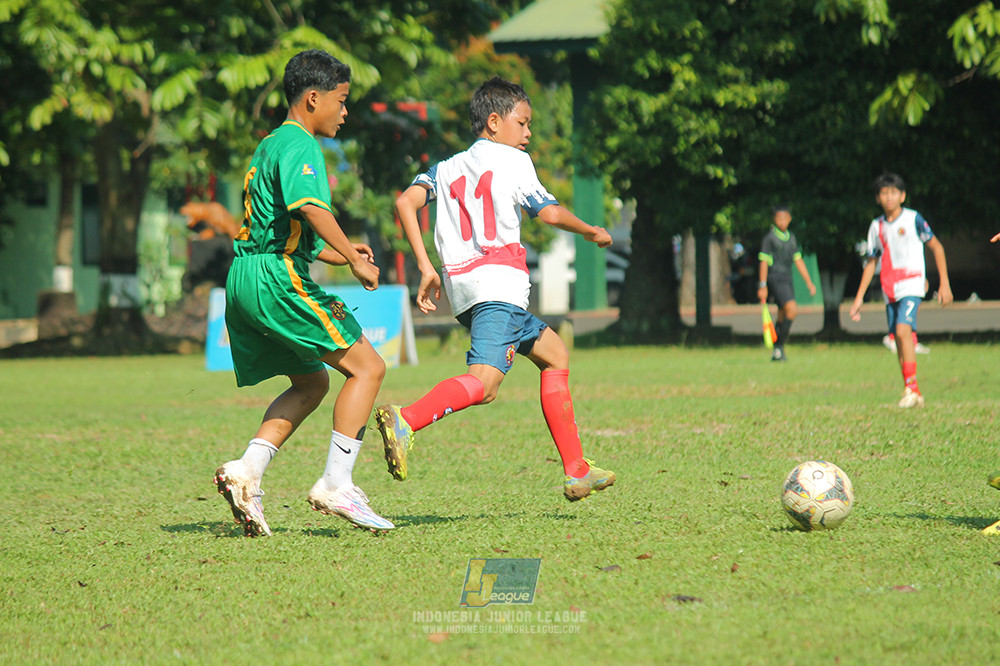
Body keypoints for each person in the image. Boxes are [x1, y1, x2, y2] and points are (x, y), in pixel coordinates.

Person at [375, 77, 616, 502]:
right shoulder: (513, 161)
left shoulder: (445, 168)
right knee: (484, 385)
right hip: (499, 286)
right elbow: (548, 212)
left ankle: (577, 469)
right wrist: (590, 231)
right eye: (522, 123)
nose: (527, 134)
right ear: (493, 122)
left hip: (467, 292)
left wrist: (426, 266)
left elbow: (404, 203)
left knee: (555, 354)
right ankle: (406, 419)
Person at [213, 49, 394, 536]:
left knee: (312, 383)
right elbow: (311, 209)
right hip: (275, 278)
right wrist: (355, 260)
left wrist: (341, 251)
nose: (345, 111)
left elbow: (292, 231)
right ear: (313, 98)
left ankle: (246, 472)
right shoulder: (302, 144)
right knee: (368, 368)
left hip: (247, 276)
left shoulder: (270, 144)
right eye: (341, 100)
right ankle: (337, 483)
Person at [849, 172, 952, 408]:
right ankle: (911, 388)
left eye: (893, 192)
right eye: (884, 193)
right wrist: (859, 298)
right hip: (889, 287)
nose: (889, 197)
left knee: (903, 331)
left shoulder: (914, 219)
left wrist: (944, 283)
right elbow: (872, 262)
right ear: (877, 197)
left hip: (913, 283)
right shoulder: (877, 226)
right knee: (897, 337)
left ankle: (911, 389)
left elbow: (937, 247)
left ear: (902, 195)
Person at [757, 205, 817, 361]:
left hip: (787, 278)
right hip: (775, 278)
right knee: (792, 310)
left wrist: (809, 282)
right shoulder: (769, 239)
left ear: (790, 219)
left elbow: (798, 260)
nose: (782, 221)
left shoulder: (791, 238)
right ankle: (779, 345)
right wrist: (762, 285)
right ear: (774, 219)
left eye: (785, 218)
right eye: (779, 218)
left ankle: (777, 349)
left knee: (783, 314)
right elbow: (763, 262)